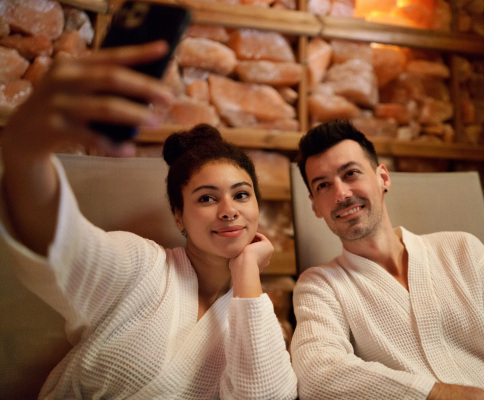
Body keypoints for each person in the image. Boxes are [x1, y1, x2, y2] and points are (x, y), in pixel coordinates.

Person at [0, 41, 297, 399]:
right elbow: (63, 243)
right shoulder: (141, 264)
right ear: (179, 216)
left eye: (241, 194)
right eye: (206, 198)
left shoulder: (253, 312)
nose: (229, 209)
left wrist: (247, 270)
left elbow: (267, 395)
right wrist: (24, 153)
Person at [289, 119, 484, 400]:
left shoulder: (463, 250)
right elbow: (317, 374)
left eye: (351, 174)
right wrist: (442, 395)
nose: (341, 194)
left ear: (383, 178)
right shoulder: (320, 286)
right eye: (323, 186)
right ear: (315, 206)